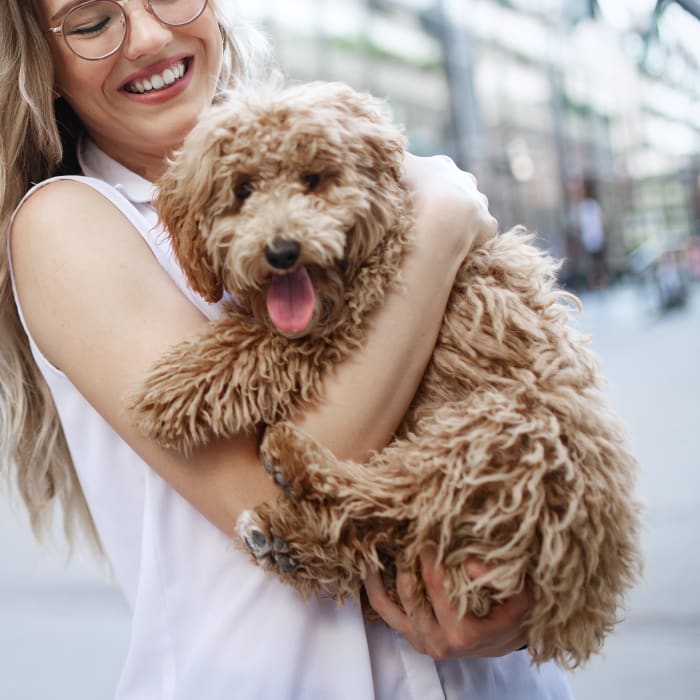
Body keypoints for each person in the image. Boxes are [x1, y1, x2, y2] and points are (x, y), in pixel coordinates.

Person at [0, 1, 574, 698]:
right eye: (93, 22)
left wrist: (524, 594)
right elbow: (279, 513)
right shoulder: (65, 223)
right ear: (45, 66)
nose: (149, 36)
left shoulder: (325, 146)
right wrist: (442, 227)